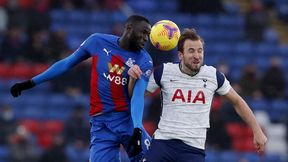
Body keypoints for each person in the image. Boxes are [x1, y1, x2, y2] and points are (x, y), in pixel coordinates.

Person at [10, 15, 153, 162]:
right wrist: (31, 82)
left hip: (127, 121)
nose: (146, 38)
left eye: (148, 35)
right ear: (129, 28)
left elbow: (137, 96)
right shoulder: (97, 41)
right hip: (101, 125)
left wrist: (137, 128)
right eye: (143, 32)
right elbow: (66, 63)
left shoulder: (144, 60)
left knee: (155, 158)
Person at [128, 28, 267, 162]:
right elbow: (136, 96)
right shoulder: (164, 71)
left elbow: (237, 101)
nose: (197, 55)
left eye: (200, 51)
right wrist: (133, 79)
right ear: (180, 55)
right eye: (191, 51)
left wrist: (257, 131)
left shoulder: (213, 76)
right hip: (163, 143)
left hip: (193, 149)